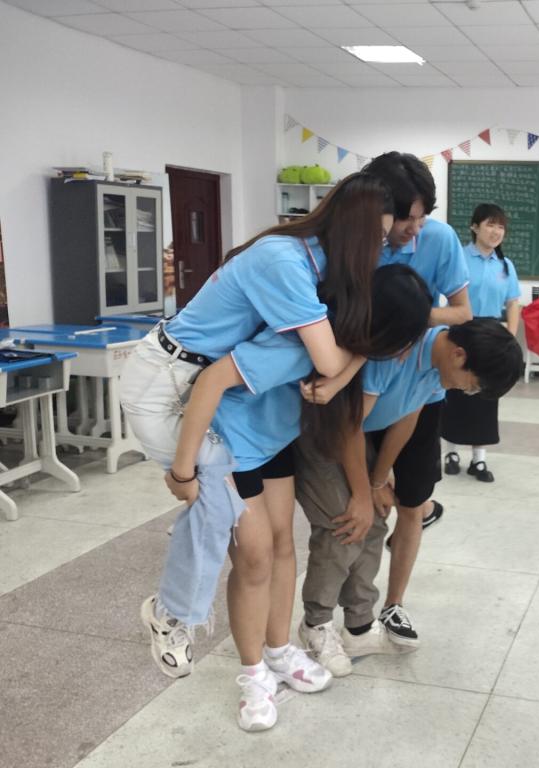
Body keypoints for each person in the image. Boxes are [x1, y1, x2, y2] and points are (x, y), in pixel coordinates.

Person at [120, 172, 389, 686]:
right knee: (220, 515)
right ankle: (172, 613)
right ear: (355, 232)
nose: (384, 250)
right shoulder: (286, 264)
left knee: (266, 538)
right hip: (166, 382)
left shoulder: (313, 268)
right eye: (379, 238)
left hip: (206, 388)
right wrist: (182, 471)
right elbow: (328, 363)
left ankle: (277, 651)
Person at [297, 318, 524, 660]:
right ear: (459, 355)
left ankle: (359, 625)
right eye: (472, 385)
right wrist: (361, 494)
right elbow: (349, 425)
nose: (467, 391)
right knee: (344, 524)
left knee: (375, 523)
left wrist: (377, 480)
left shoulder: (438, 368)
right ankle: (316, 624)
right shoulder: (397, 350)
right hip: (324, 433)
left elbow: (408, 416)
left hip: (358, 439)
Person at [363, 152, 472, 643]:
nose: (414, 229)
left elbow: (462, 313)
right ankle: (352, 608)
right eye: (406, 218)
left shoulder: (439, 240)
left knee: (412, 501)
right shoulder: (356, 242)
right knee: (363, 505)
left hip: (420, 389)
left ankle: (394, 604)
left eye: (422, 216)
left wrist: (408, 319)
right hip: (363, 385)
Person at [442, 203, 521, 483]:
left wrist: (510, 337)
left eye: (500, 227)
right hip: (462, 330)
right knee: (455, 392)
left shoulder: (505, 265)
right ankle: (451, 453)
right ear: (475, 227)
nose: (496, 231)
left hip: (492, 334)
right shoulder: (459, 258)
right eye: (490, 225)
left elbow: (513, 303)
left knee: (486, 394)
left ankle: (479, 459)